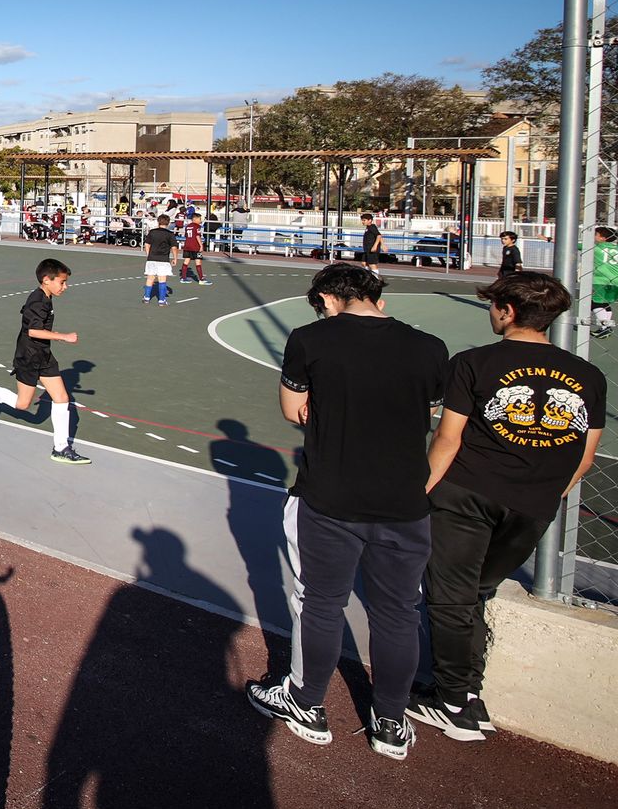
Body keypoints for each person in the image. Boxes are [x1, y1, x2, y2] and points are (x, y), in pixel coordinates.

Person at [246, 262, 449, 761]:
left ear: (329, 299)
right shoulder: (429, 347)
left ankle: (307, 704)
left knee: (320, 602)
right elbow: (431, 414)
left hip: (329, 496)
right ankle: (390, 721)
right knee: (399, 614)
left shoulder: (311, 340)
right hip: (404, 501)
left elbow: (294, 411)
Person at [411, 273, 605, 741]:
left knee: (449, 597)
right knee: (475, 593)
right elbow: (585, 456)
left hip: (467, 496)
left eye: (494, 304)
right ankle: (466, 692)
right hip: (533, 504)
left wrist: (417, 495)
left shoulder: (474, 362)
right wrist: (541, 492)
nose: (491, 311)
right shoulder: (588, 375)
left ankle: (454, 702)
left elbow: (448, 438)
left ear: (508, 311)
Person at [0, 259, 91, 465]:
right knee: (22, 404)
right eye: (62, 282)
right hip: (28, 357)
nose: (65, 286)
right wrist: (63, 336)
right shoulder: (37, 301)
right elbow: (33, 331)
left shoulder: (46, 297)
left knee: (61, 398)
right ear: (46, 280)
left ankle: (61, 448)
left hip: (44, 355)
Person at [142, 214, 177, 306]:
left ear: (158, 222)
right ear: (168, 223)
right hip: (163, 260)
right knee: (162, 279)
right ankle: (161, 300)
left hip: (152, 259)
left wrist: (149, 254)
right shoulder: (170, 234)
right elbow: (174, 248)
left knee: (150, 278)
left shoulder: (152, 232)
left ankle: (146, 298)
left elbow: (147, 244)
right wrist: (175, 258)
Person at [593, 227, 618, 339]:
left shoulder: (596, 248)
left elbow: (572, 245)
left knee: (595, 303)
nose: (594, 236)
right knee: (605, 304)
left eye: (596, 234)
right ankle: (605, 328)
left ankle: (604, 327)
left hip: (600, 280)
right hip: (615, 281)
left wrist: (548, 239)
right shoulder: (616, 248)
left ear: (603, 238)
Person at [178, 214, 210, 285]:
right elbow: (197, 236)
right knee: (198, 262)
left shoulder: (187, 226)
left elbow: (187, 236)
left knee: (186, 261)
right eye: (199, 219)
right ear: (195, 219)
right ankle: (201, 279)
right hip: (195, 246)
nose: (200, 220)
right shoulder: (197, 226)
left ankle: (183, 278)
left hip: (187, 246)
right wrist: (201, 245)